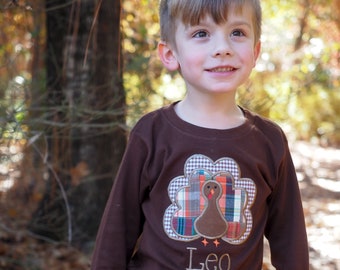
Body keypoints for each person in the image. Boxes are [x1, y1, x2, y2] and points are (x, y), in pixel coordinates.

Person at [91, 0, 309, 269]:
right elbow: (117, 229)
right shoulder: (151, 134)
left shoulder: (269, 140)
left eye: (237, 33)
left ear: (255, 51)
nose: (223, 49)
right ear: (170, 53)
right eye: (201, 34)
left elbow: (290, 238)